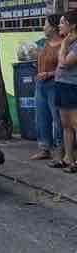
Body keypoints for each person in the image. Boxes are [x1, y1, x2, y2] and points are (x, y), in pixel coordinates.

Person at [32, 14, 64, 163]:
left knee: (57, 119)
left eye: (46, 25)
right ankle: (45, 148)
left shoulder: (64, 45)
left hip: (55, 85)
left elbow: (66, 68)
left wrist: (49, 74)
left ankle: (60, 149)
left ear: (53, 28)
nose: (43, 27)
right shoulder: (44, 44)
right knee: (41, 117)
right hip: (41, 84)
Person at [55, 11, 77, 173]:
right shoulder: (68, 42)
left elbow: (64, 63)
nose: (59, 25)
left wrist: (63, 45)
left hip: (72, 86)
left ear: (73, 26)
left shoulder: (73, 44)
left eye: (63, 23)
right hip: (62, 85)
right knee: (65, 124)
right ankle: (68, 158)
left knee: (75, 124)